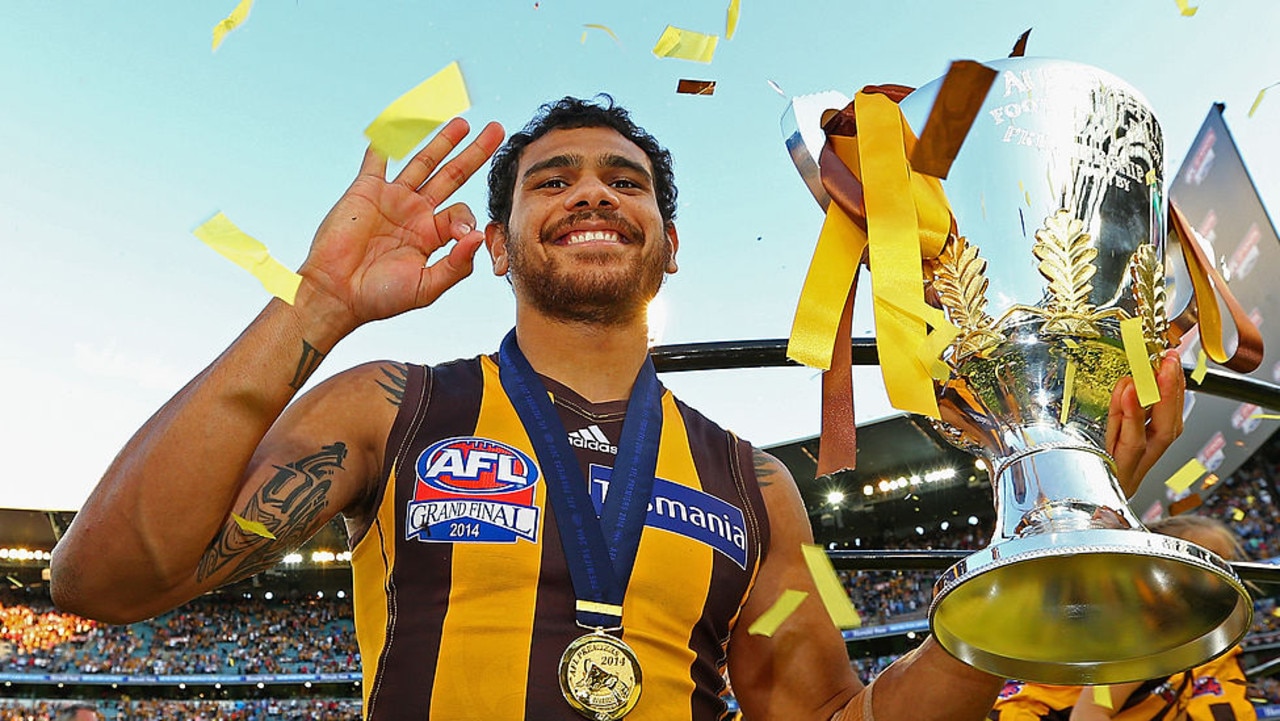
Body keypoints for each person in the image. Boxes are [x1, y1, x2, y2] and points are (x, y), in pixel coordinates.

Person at [49, 95, 1186, 720]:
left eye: (623, 179)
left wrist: (1046, 559)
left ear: (669, 245)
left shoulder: (759, 485)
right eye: (550, 178)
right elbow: (99, 579)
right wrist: (317, 304)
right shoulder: (387, 407)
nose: (589, 188)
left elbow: (832, 720)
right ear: (493, 245)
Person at [988, 516, 1256, 721]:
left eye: (1226, 560)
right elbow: (1092, 709)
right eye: (1204, 559)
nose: (1219, 571)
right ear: (1162, 570)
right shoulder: (1145, 640)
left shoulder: (1192, 637)